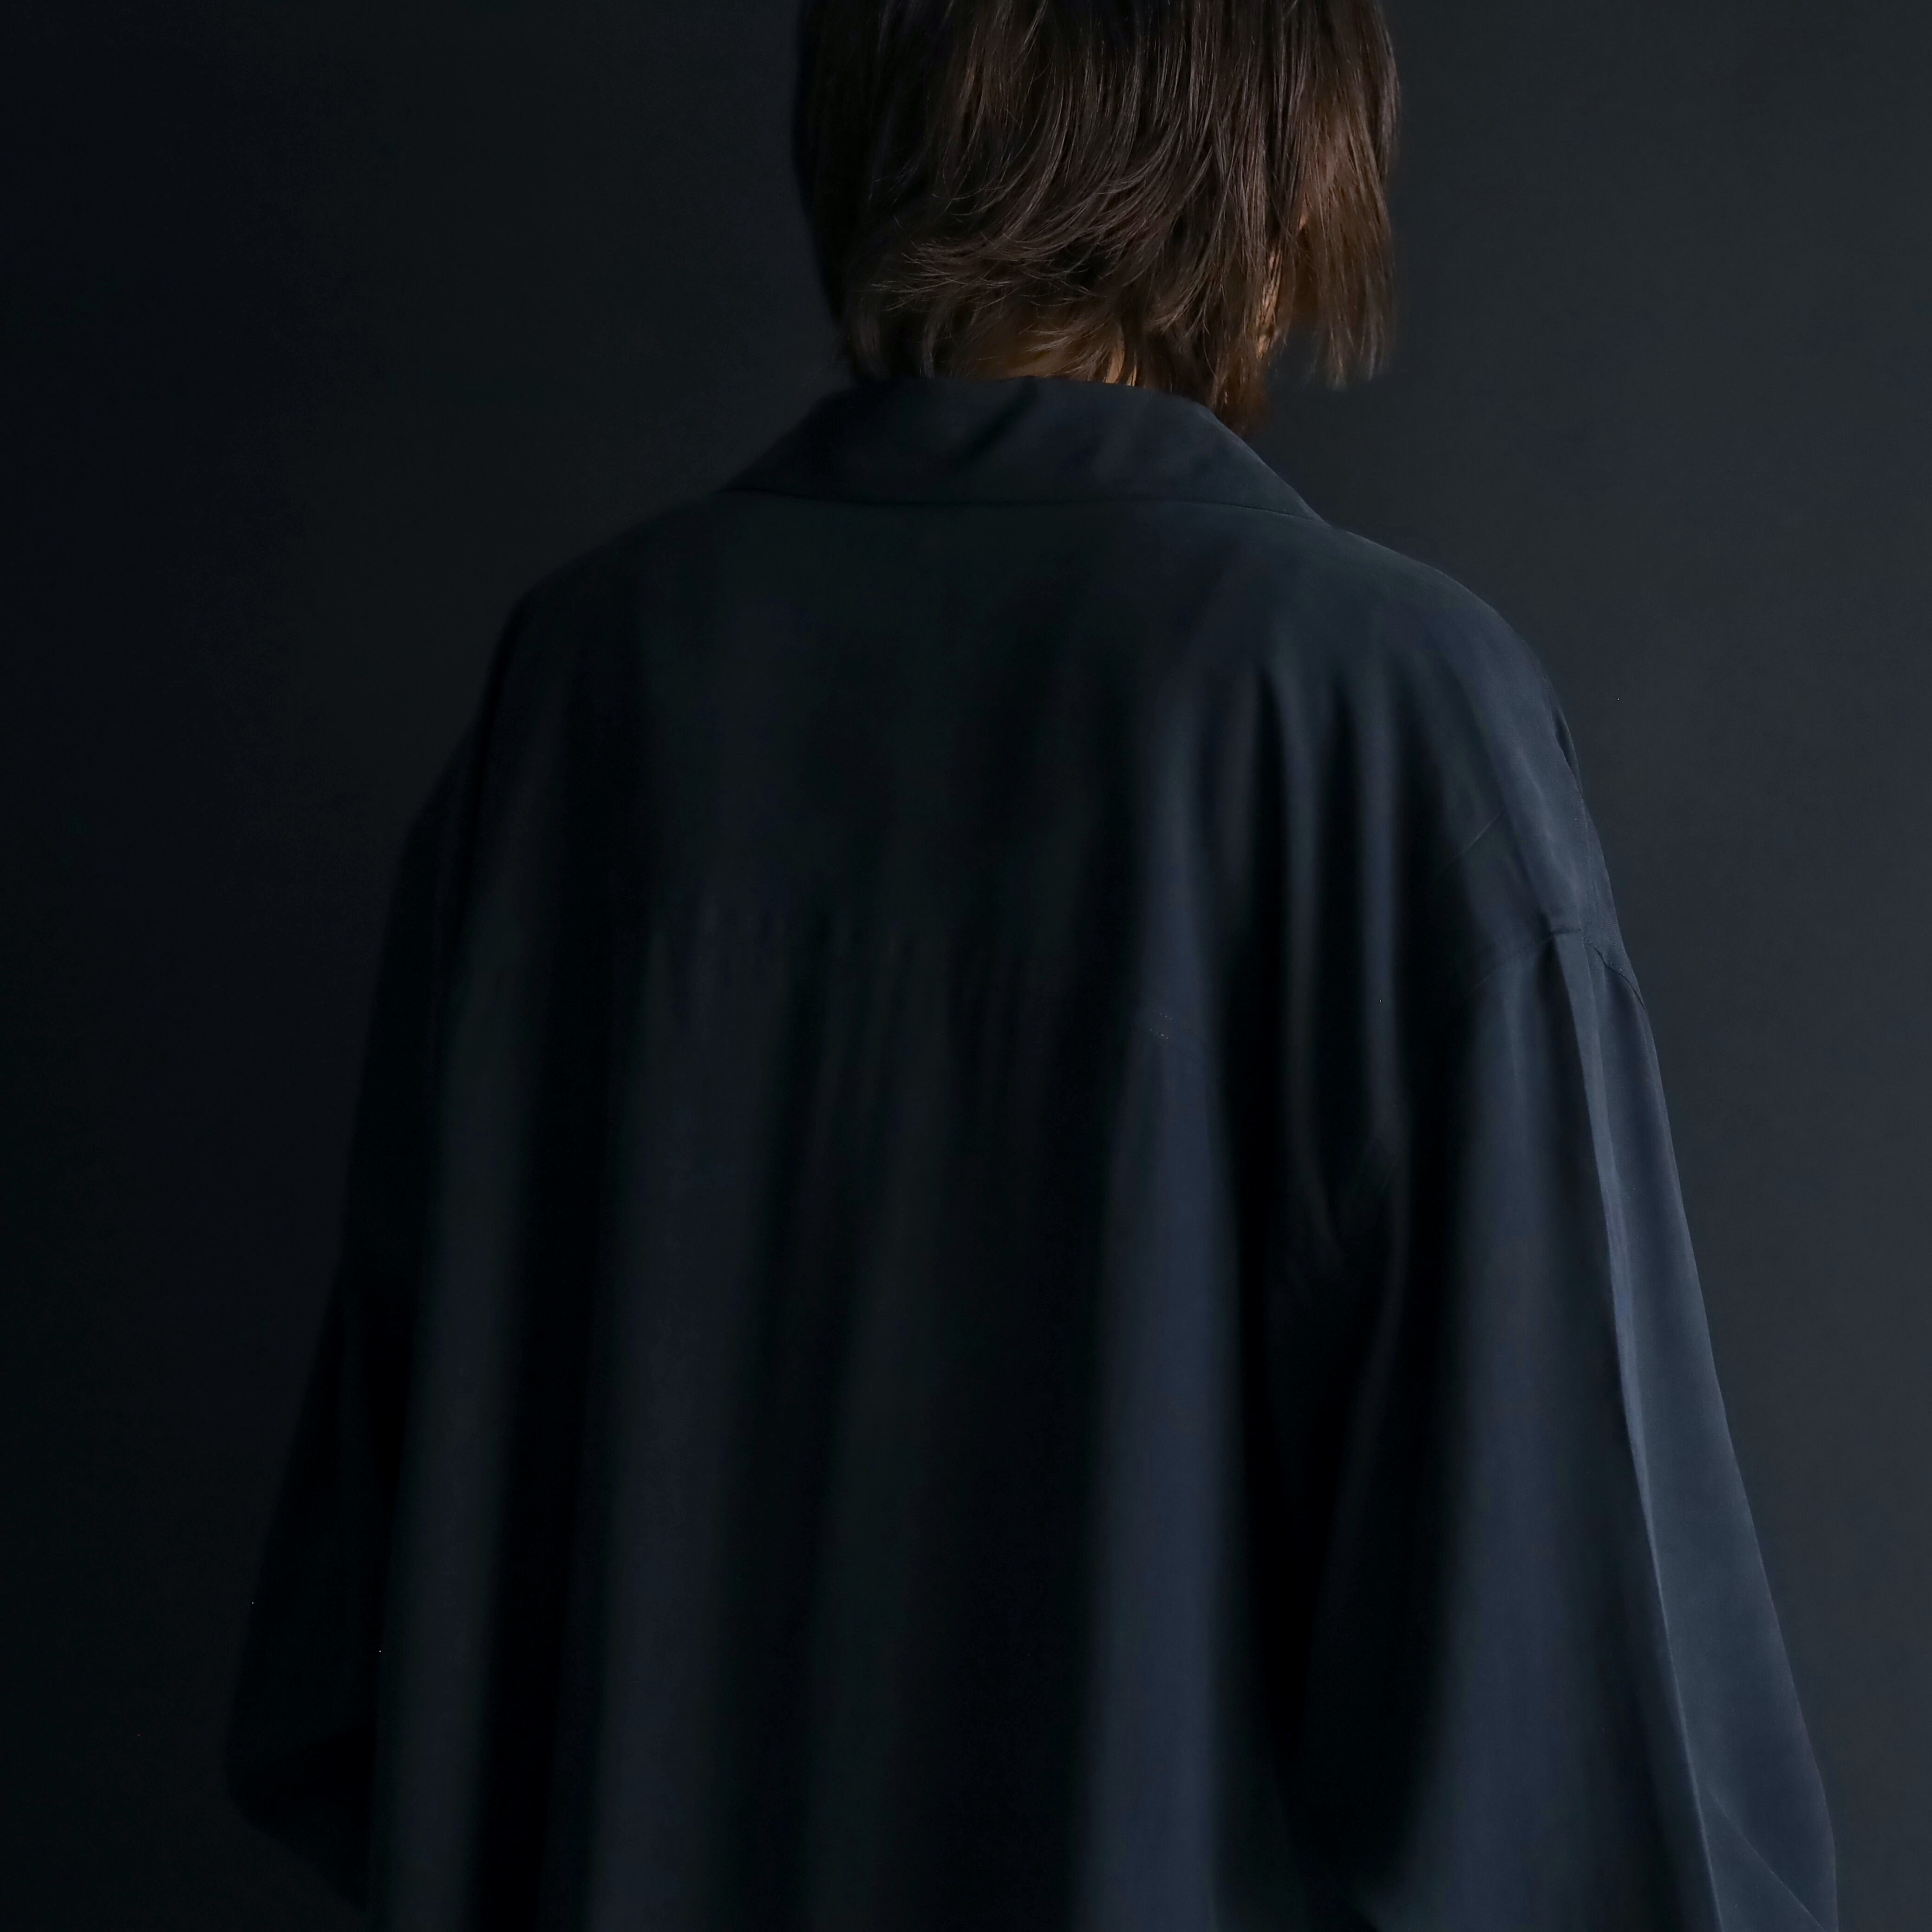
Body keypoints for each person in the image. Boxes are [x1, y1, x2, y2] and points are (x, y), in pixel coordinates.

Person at [226, 2, 1837, 1926]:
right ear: (1274, 182)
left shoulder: (585, 693)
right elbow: (1573, 1723)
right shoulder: (1381, 714)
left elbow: (366, 1661)